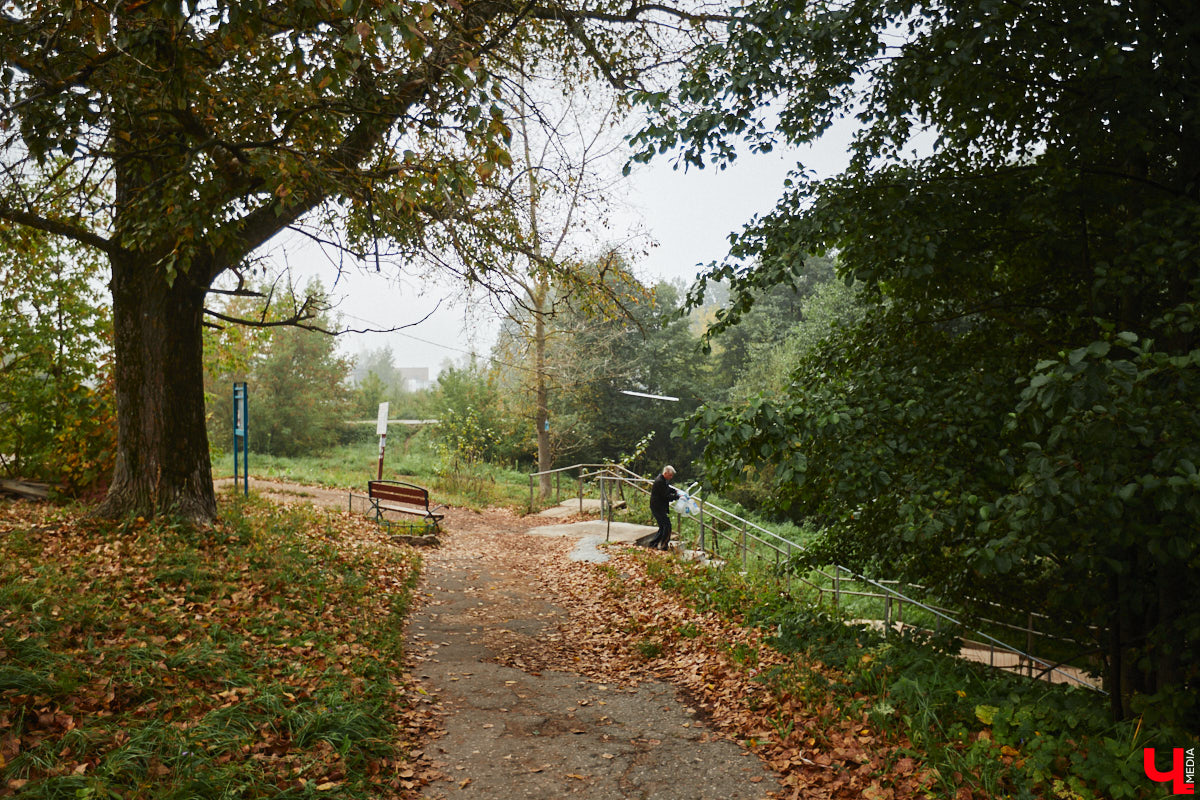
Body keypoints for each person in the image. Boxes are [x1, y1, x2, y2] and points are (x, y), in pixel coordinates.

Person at [637, 465, 679, 551]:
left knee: (663, 526)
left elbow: (667, 489)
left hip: (660, 506)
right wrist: (676, 496)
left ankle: (654, 544)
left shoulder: (664, 480)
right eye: (670, 475)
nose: (671, 477)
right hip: (657, 507)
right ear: (666, 473)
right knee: (666, 526)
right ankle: (662, 544)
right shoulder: (659, 481)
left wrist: (675, 491)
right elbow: (665, 496)